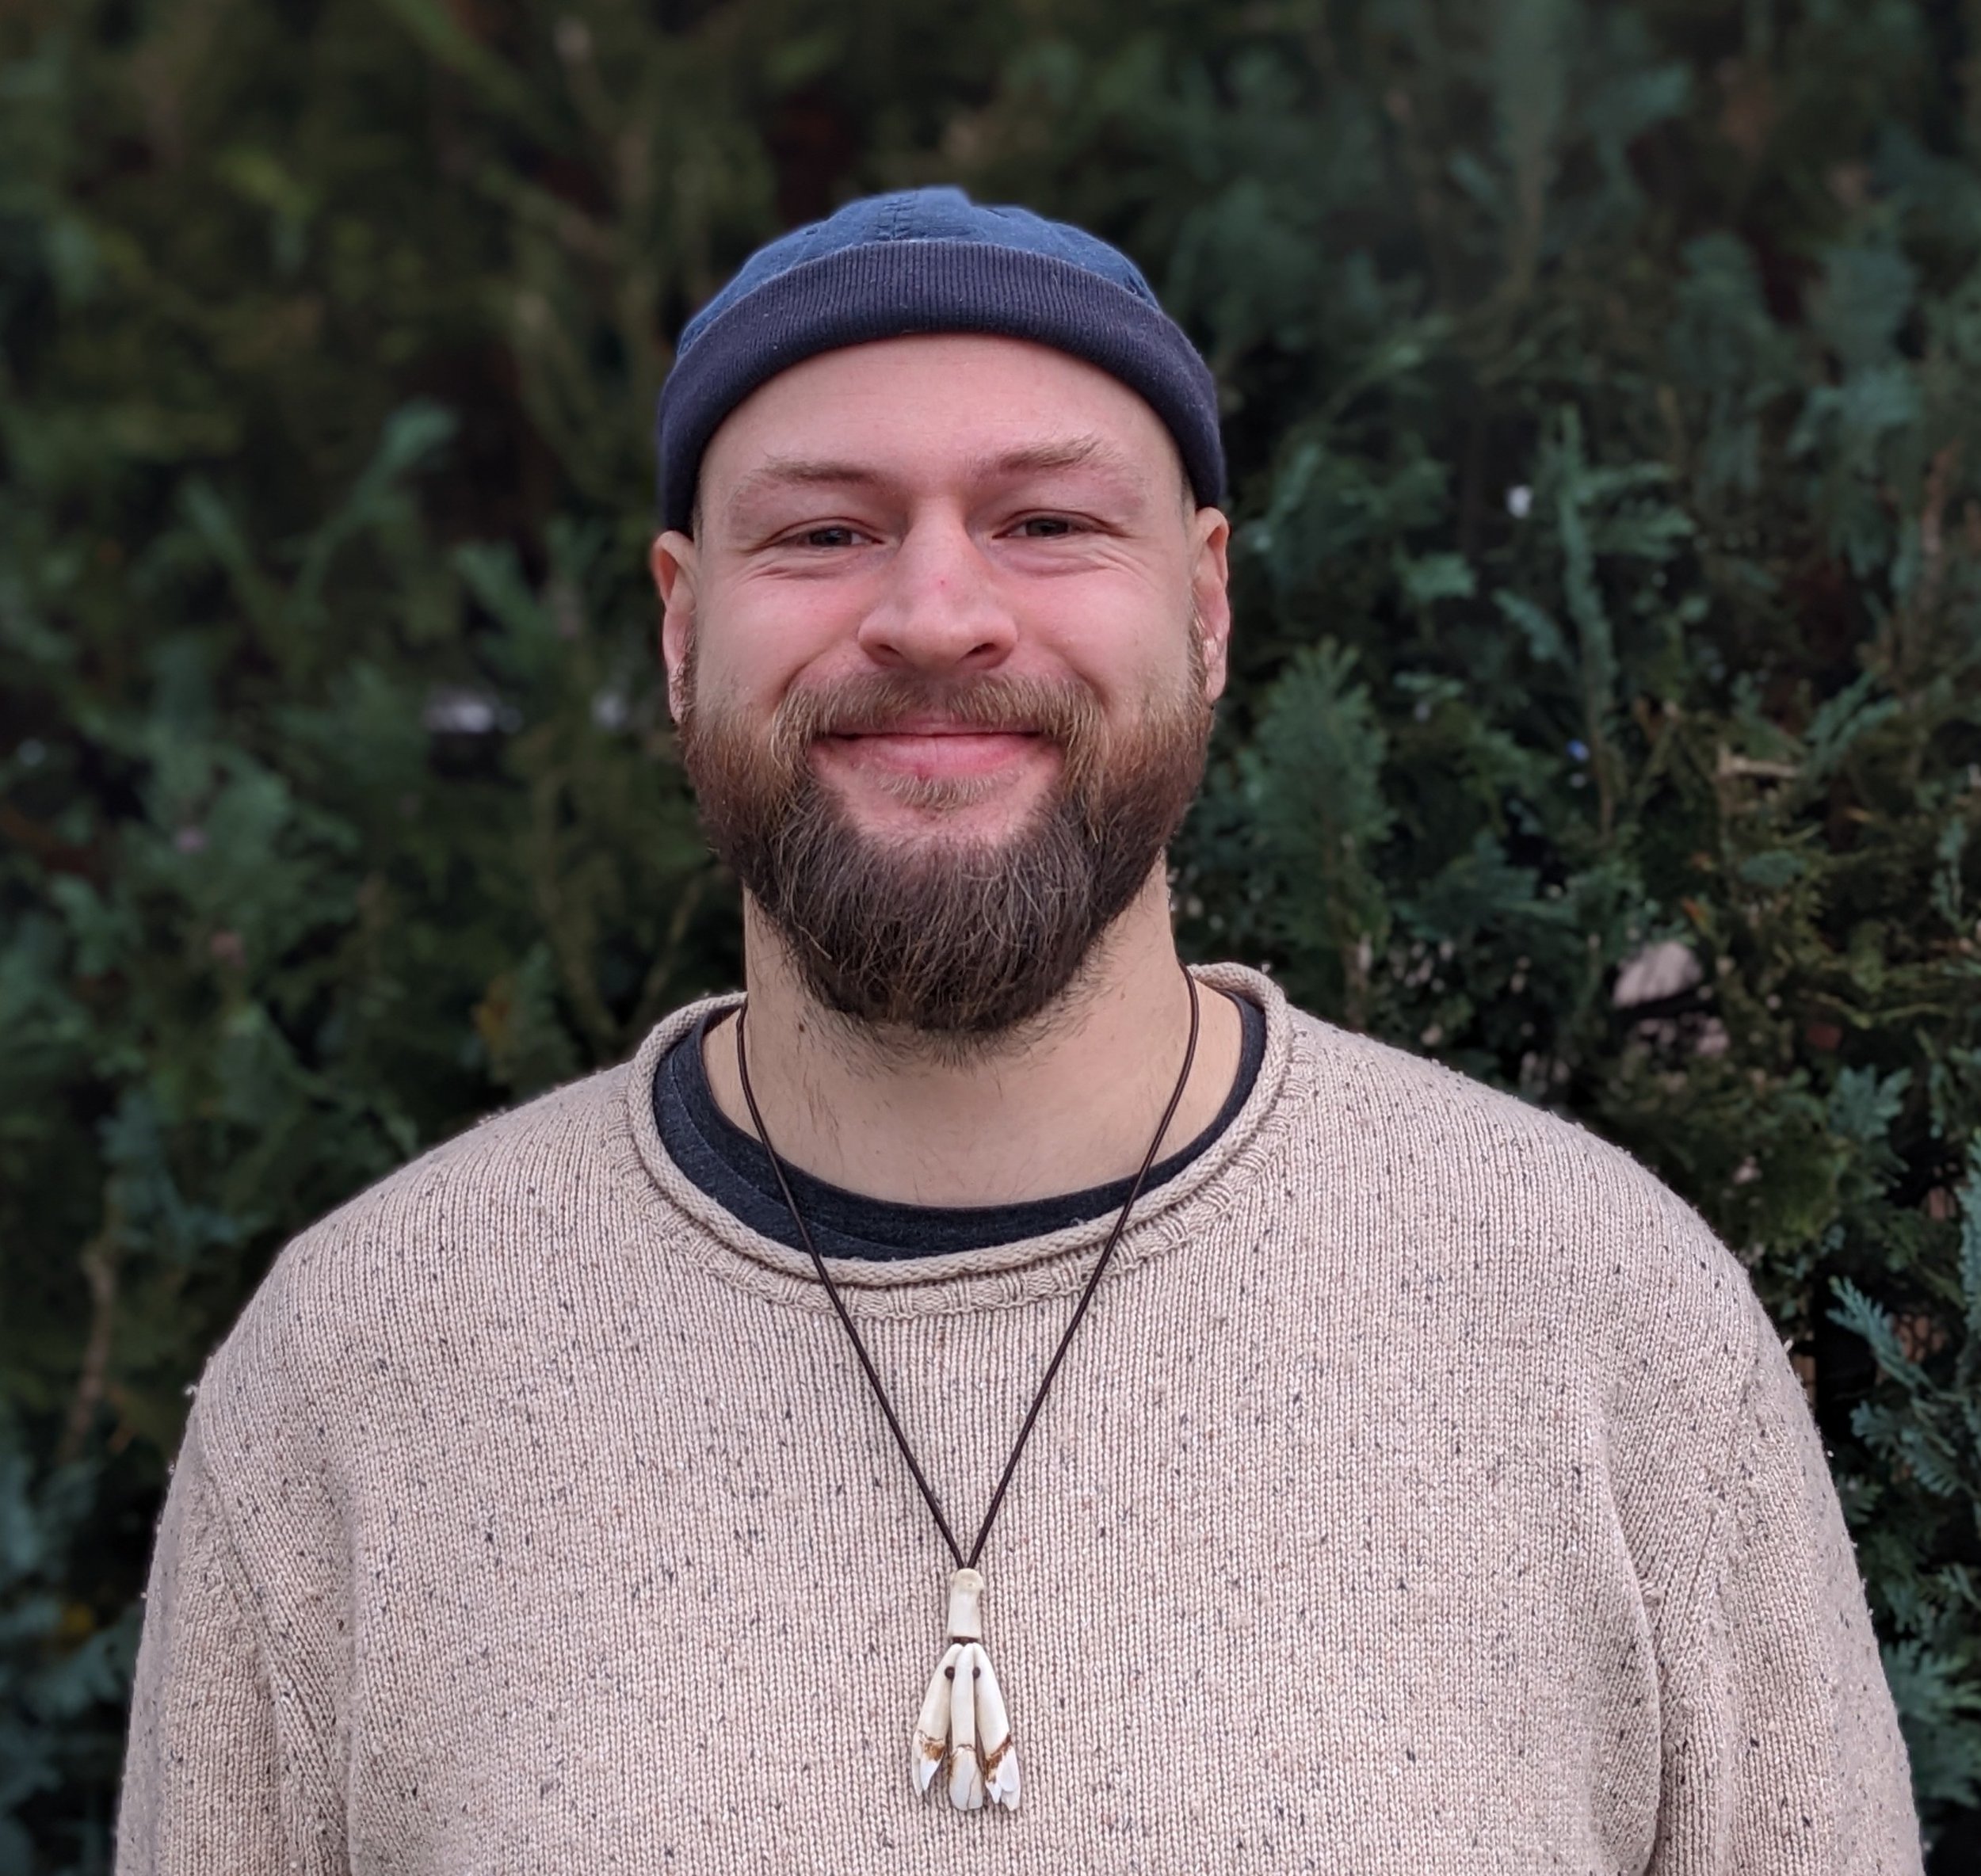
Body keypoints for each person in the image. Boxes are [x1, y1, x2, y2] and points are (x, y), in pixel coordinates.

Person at [117, 187, 1922, 1873]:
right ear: (681, 628)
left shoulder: (1601, 1317)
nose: (934, 612)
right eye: (823, 531)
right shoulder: (359, 1365)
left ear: (1203, 603)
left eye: (1045, 523)